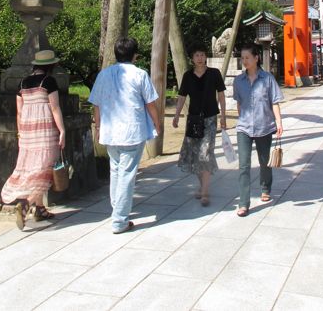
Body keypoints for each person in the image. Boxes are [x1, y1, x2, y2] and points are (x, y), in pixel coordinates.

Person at [89, 37, 161, 234]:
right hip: (131, 131)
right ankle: (120, 220)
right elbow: (150, 103)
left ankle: (117, 209)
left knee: (116, 170)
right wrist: (157, 122)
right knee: (127, 174)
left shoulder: (103, 75)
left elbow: (96, 103)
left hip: (110, 130)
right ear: (135, 54)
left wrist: (97, 127)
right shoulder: (140, 74)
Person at [1, 50, 66, 230]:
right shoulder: (49, 81)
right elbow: (55, 108)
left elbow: (19, 111)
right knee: (44, 169)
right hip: (44, 131)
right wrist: (62, 130)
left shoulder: (23, 83)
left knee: (33, 169)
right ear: (50, 66)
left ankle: (40, 209)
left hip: (28, 132)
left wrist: (20, 132)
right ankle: (26, 204)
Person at [172, 44, 227, 207]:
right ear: (192, 58)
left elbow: (222, 95)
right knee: (195, 155)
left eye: (202, 54)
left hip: (210, 118)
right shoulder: (187, 76)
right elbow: (182, 97)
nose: (200, 58)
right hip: (193, 120)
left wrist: (223, 116)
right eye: (197, 55)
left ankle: (205, 191)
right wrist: (176, 115)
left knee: (205, 153)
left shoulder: (214, 74)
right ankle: (202, 185)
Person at [233, 44, 284, 217]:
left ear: (256, 58)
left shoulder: (268, 79)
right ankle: (243, 203)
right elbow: (239, 104)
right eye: (242, 58)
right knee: (244, 166)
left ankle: (265, 187)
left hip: (264, 126)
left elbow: (274, 102)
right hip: (244, 127)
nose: (244, 61)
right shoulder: (238, 81)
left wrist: (279, 122)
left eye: (247, 57)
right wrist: (241, 120)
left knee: (264, 161)